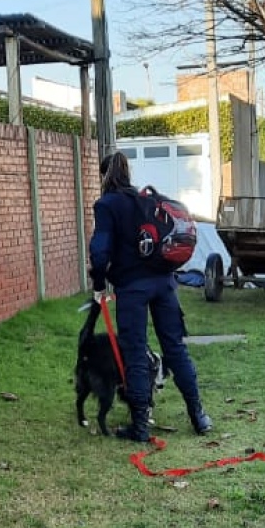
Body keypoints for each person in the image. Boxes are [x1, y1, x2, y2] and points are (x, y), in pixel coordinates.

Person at [88, 151, 212, 443]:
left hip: (132, 288)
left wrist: (98, 282)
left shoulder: (106, 205)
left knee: (135, 353)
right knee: (175, 349)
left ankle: (140, 427)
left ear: (103, 176)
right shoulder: (147, 200)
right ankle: (199, 417)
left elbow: (100, 249)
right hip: (165, 284)